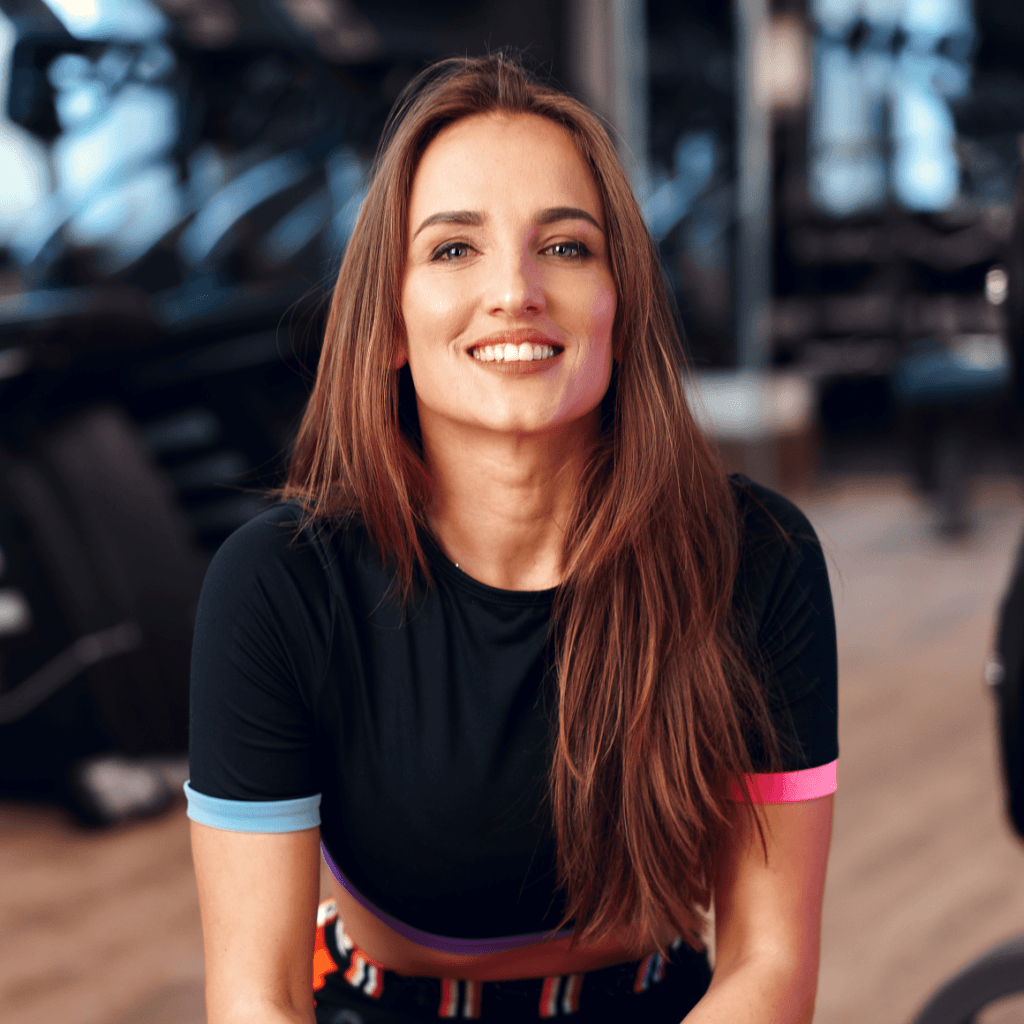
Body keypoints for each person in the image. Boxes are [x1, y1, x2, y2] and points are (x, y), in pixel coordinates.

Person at [186, 54, 838, 1024]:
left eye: (566, 247)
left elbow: (770, 961)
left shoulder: (756, 557)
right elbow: (255, 996)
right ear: (391, 323)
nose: (515, 291)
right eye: (454, 250)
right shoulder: (279, 583)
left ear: (621, 302)